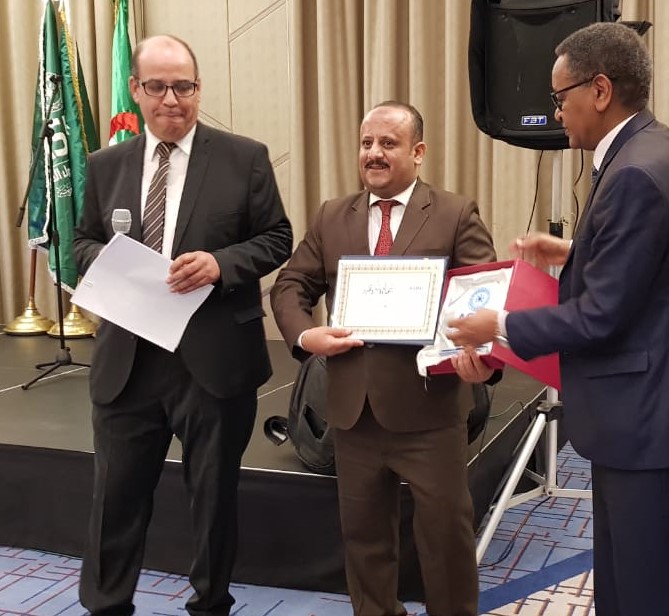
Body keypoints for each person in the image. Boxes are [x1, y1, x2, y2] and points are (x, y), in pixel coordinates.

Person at [447, 22, 669, 616]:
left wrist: (499, 324)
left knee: (649, 590)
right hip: (658, 406)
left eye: (560, 97)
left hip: (647, 420)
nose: (556, 113)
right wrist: (575, 253)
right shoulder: (655, 146)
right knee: (630, 576)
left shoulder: (633, 172)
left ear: (600, 90)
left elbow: (601, 317)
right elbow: (646, 266)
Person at [73, 35, 292, 616]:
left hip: (212, 361)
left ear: (199, 88)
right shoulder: (105, 165)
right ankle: (107, 605)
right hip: (128, 362)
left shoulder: (244, 158)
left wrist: (221, 264)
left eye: (184, 86)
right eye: (158, 87)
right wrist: (115, 265)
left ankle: (210, 605)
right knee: (114, 500)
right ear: (135, 90)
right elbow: (81, 243)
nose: (172, 99)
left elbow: (277, 238)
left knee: (213, 501)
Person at [270, 101, 495, 616]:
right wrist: (305, 335)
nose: (373, 153)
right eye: (367, 142)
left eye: (388, 143)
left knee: (446, 539)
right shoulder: (332, 215)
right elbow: (290, 284)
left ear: (418, 152)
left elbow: (483, 293)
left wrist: (477, 354)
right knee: (365, 541)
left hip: (430, 411)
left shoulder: (455, 213)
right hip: (354, 414)